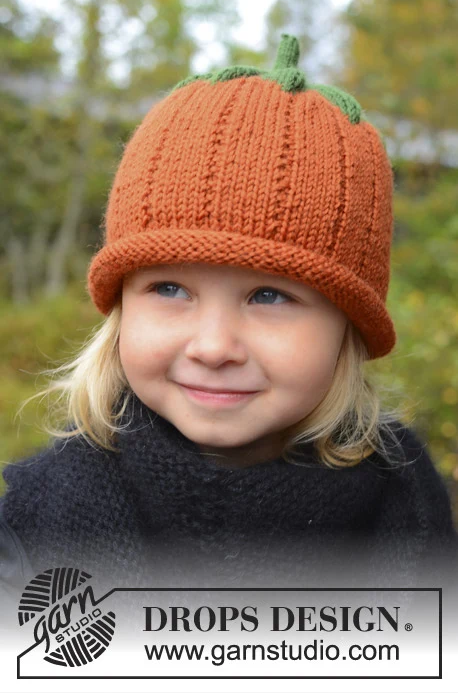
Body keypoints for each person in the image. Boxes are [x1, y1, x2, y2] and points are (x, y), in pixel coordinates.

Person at [1, 34, 457, 598]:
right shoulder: (37, 527)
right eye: (169, 288)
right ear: (121, 308)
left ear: (350, 326)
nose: (213, 347)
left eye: (268, 296)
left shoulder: (410, 511)